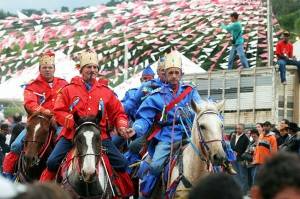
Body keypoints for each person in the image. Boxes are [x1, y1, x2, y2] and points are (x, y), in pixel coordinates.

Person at [40, 50, 131, 183]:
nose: (92, 70)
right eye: (89, 67)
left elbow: (119, 113)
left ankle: (122, 193)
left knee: (122, 163)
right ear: (81, 70)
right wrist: (74, 122)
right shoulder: (68, 89)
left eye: (95, 67)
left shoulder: (106, 92)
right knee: (52, 162)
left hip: (99, 136)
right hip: (71, 135)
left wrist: (122, 126)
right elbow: (58, 111)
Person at [127, 50, 202, 198]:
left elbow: (200, 107)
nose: (174, 75)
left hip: (190, 134)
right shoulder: (155, 95)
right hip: (168, 138)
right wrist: (136, 128)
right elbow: (144, 118)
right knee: (155, 166)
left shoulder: (190, 91)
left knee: (214, 156)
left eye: (176, 72)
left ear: (181, 74)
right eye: (170, 73)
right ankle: (146, 191)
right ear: (165, 75)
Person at [2, 51, 68, 180]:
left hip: (59, 122)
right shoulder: (32, 86)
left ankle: (66, 175)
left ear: (54, 69)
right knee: (16, 145)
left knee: (67, 143)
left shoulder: (64, 84)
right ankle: (8, 177)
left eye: (50, 67)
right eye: (44, 67)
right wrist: (46, 113)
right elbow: (30, 103)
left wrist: (59, 116)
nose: (47, 70)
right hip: (38, 122)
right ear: (40, 69)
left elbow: (69, 102)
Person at [230, 123, 250, 194]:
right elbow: (231, 146)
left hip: (241, 159)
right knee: (235, 175)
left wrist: (239, 153)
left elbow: (247, 149)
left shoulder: (246, 138)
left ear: (243, 129)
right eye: (237, 128)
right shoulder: (233, 136)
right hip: (233, 159)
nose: (238, 130)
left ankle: (244, 191)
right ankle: (237, 190)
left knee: (243, 175)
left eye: (239, 128)